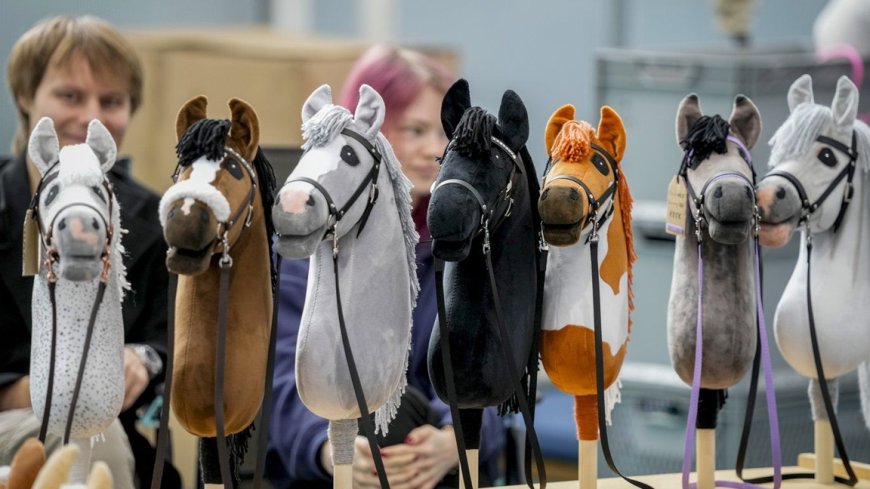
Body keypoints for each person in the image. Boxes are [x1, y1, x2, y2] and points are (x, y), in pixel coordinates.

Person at [267, 45, 504, 489]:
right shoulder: (302, 253)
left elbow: (486, 369)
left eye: (444, 134)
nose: (434, 150)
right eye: (415, 130)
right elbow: (282, 372)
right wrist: (327, 450)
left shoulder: (469, 246)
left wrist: (454, 441)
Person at [0, 15, 179, 489]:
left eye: (112, 101)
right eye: (70, 96)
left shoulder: (153, 218)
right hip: (10, 426)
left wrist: (141, 360)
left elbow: (171, 339)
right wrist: (50, 389)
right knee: (77, 441)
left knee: (95, 441)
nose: (90, 117)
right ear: (25, 96)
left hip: (111, 433)